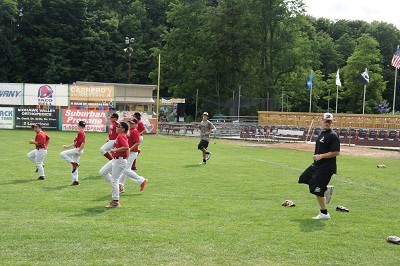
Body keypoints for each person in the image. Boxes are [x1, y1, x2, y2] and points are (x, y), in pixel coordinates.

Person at [298, 113, 340, 220]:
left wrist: (321, 156)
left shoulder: (332, 135)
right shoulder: (322, 133)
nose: (327, 123)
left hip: (326, 168)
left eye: (329, 121)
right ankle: (325, 189)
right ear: (321, 120)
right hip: (317, 165)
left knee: (316, 190)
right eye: (325, 121)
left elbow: (336, 152)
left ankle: (324, 213)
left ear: (331, 123)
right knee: (304, 178)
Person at [99, 121, 130, 208]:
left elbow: (126, 147)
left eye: (119, 126)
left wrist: (114, 150)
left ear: (123, 129)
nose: (117, 127)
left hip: (119, 161)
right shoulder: (119, 136)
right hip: (115, 160)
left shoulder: (121, 136)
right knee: (102, 172)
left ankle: (115, 201)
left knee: (114, 180)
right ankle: (119, 185)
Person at [119, 118, 147, 193]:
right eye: (129, 123)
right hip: (130, 152)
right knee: (125, 169)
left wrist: (129, 149)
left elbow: (137, 143)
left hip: (132, 152)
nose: (130, 124)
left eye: (132, 123)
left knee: (125, 170)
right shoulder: (130, 131)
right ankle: (120, 186)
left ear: (136, 124)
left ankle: (141, 180)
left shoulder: (134, 131)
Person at [60, 120, 86, 185]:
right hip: (77, 149)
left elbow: (83, 143)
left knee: (62, 154)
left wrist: (78, 151)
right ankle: (75, 180)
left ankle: (74, 163)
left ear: (78, 125)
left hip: (77, 150)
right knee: (74, 167)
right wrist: (68, 146)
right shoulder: (81, 132)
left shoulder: (81, 133)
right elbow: (75, 143)